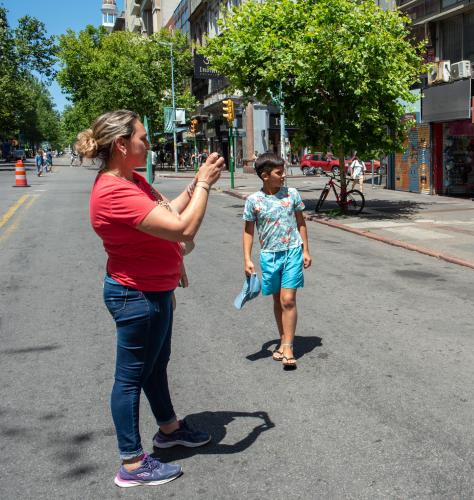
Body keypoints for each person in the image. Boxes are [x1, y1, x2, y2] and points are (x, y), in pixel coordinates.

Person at [78, 110, 225, 487]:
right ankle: (131, 464)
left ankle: (169, 429)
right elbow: (182, 227)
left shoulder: (132, 180)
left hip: (154, 290)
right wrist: (206, 185)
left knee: (156, 366)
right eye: (143, 137)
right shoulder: (114, 191)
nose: (149, 143)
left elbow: (167, 212)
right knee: (129, 378)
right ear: (122, 145)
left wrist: (194, 184)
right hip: (136, 295)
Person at [242, 152, 312, 368]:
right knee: (277, 300)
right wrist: (247, 258)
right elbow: (248, 232)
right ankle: (283, 339)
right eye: (279, 173)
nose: (284, 176)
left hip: (292, 251)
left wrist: (306, 250)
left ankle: (289, 347)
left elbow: (301, 223)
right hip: (269, 256)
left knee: (288, 299)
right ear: (265, 175)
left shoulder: (292, 194)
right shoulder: (254, 201)